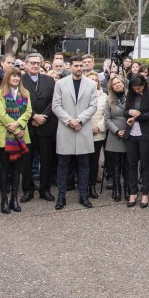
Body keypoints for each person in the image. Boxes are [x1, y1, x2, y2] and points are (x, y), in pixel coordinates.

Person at [51, 57, 98, 210]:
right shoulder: (60, 83)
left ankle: (83, 195)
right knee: (63, 165)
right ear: (70, 66)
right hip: (66, 128)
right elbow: (56, 106)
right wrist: (70, 121)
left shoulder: (91, 84)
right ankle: (61, 196)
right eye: (76, 65)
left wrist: (79, 120)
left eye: (81, 65)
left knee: (84, 165)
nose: (79, 68)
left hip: (83, 128)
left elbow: (93, 106)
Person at [0, 67, 32, 214]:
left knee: (17, 169)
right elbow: (1, 113)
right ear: (7, 77)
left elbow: (28, 112)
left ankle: (14, 199)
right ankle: (4, 199)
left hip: (21, 134)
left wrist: (18, 124)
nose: (16, 78)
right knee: (4, 168)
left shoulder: (25, 93)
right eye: (13, 76)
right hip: (5, 135)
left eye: (18, 76)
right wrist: (15, 128)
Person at [21, 52, 57, 202]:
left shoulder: (49, 80)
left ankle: (45, 189)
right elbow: (17, 100)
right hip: (27, 125)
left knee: (46, 160)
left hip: (46, 124)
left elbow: (54, 100)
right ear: (26, 64)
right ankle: (28, 189)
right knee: (27, 160)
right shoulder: (19, 80)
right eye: (32, 63)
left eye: (38, 63)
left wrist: (42, 117)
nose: (35, 65)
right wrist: (33, 116)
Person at [123, 73, 149, 208]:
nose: (137, 90)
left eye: (139, 88)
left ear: (144, 85)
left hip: (145, 133)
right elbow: (125, 112)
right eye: (135, 88)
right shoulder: (130, 95)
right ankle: (133, 192)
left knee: (145, 164)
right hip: (131, 133)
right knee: (131, 164)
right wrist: (130, 113)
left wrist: (136, 117)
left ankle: (145, 192)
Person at [103, 75, 128, 202]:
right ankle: (116, 188)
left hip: (129, 132)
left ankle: (128, 188)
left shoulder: (131, 97)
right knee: (116, 163)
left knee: (128, 163)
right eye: (114, 84)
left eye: (119, 82)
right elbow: (107, 119)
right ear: (111, 87)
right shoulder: (109, 99)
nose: (117, 85)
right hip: (115, 134)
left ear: (123, 83)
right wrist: (116, 131)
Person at [85, 70, 106, 199]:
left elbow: (106, 114)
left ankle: (92, 186)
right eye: (90, 79)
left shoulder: (104, 96)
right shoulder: (81, 95)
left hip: (97, 133)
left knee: (94, 161)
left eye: (95, 80)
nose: (93, 82)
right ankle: (83, 185)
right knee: (83, 162)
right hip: (83, 132)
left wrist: (99, 126)